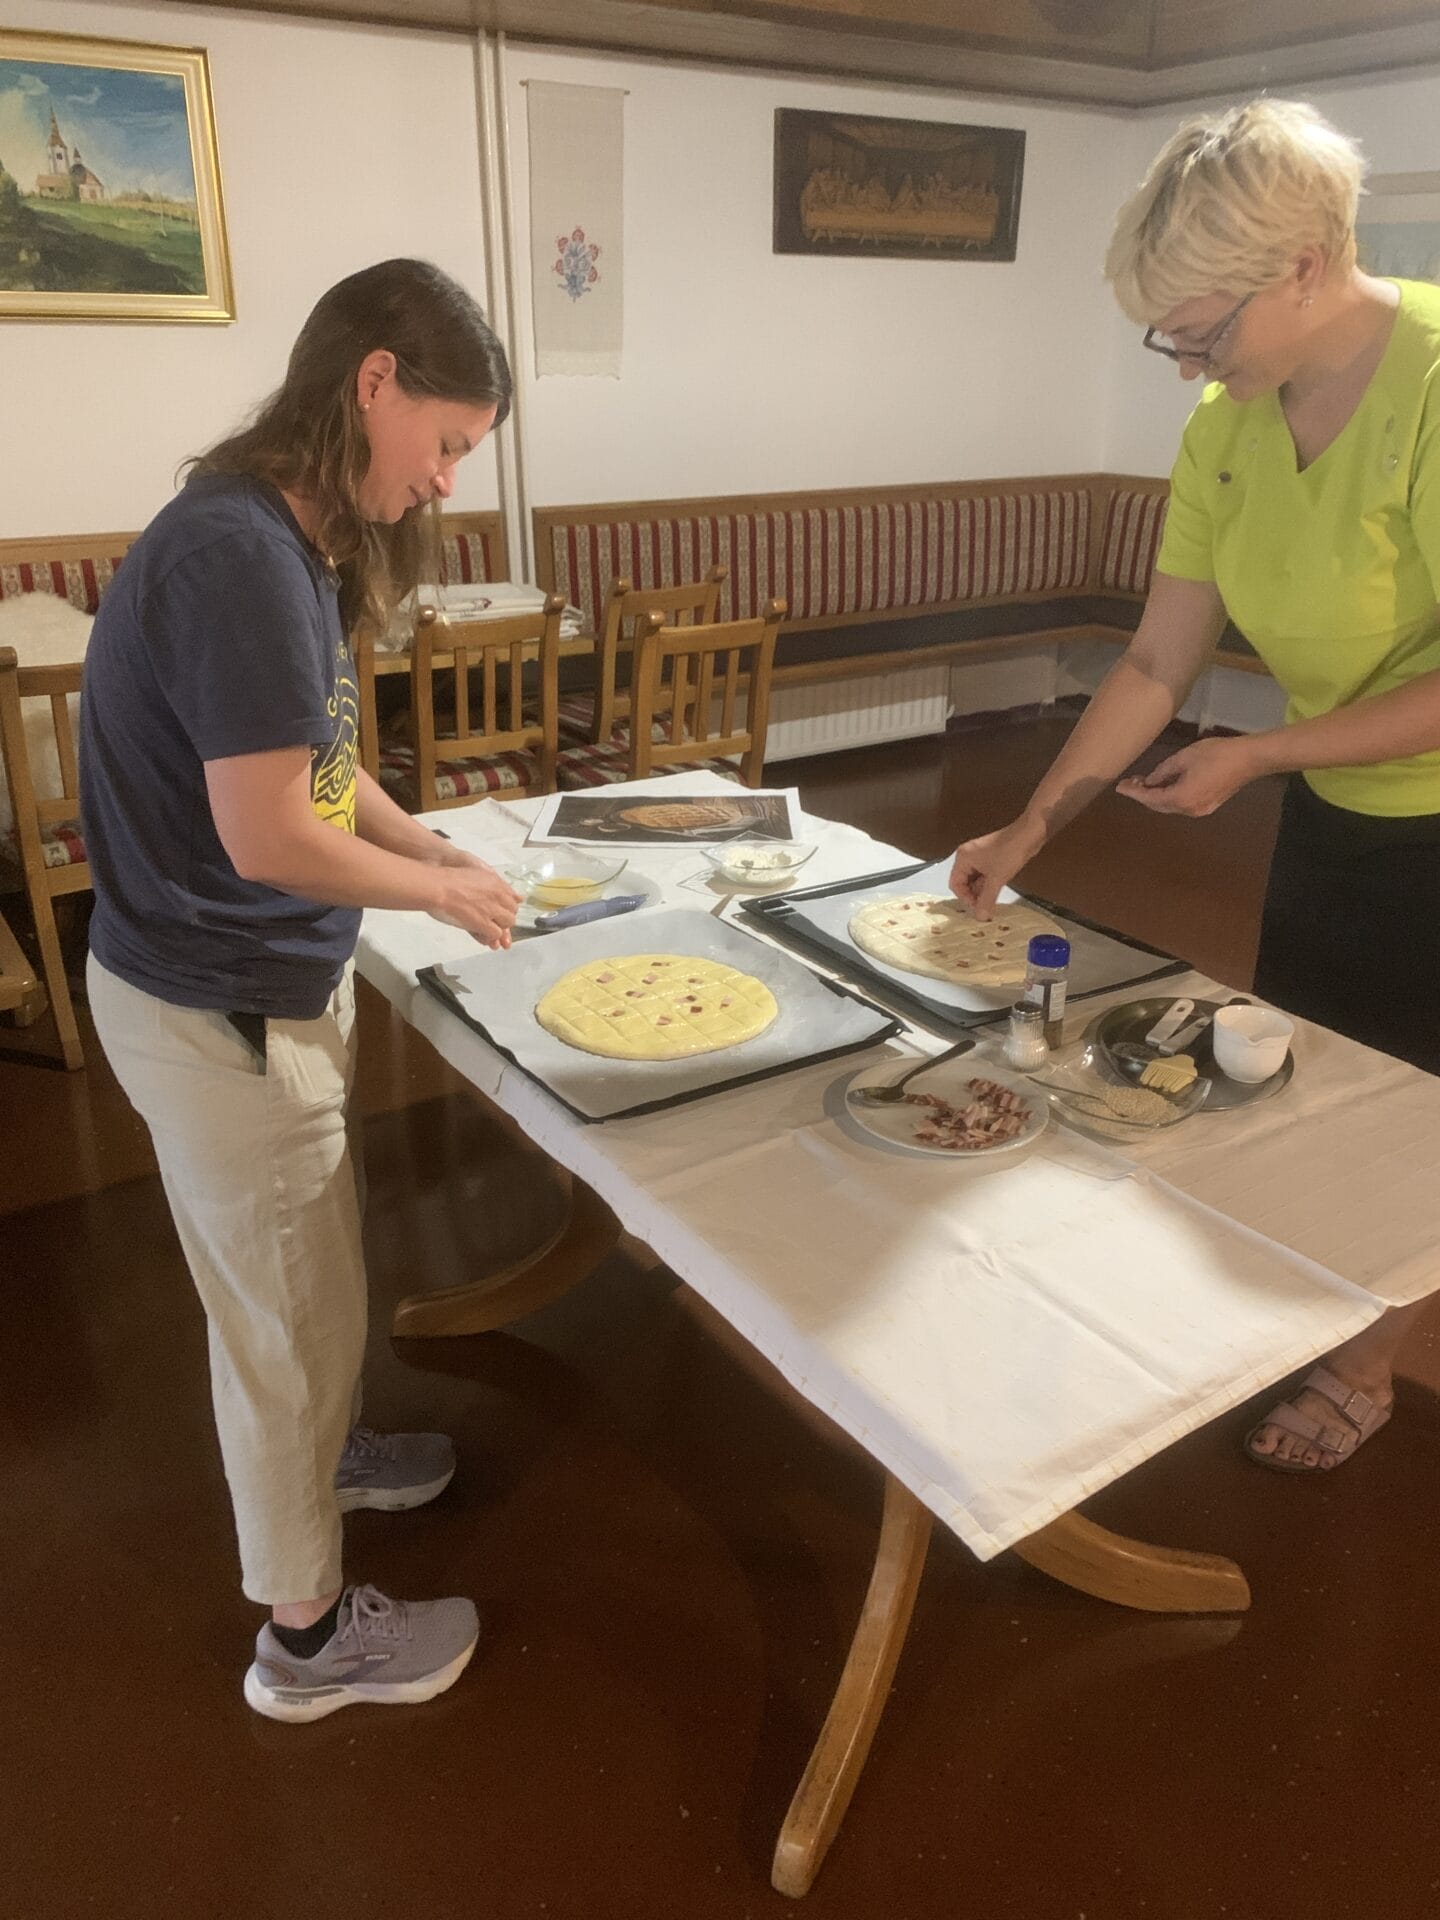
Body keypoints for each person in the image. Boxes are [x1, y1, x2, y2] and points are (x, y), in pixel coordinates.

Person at [949, 100, 1440, 1476]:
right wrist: (1034, 822)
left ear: (1303, 265)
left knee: (1423, 1121)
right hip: (1346, 814)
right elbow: (1160, 662)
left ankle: (1370, 1368)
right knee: (1309, 1082)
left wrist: (1263, 752)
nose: (1183, 369)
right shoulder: (1230, 427)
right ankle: (1310, 1309)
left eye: (1199, 332)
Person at [81, 258, 523, 1720]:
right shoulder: (236, 555)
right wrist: (445, 892)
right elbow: (265, 831)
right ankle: (311, 1641)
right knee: (275, 1316)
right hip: (217, 1005)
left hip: (251, 986)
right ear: (373, 383)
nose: (449, 480)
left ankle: (327, 1457)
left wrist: (419, 839)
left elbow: (317, 764)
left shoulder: (287, 534)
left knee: (310, 1271)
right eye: (447, 442)